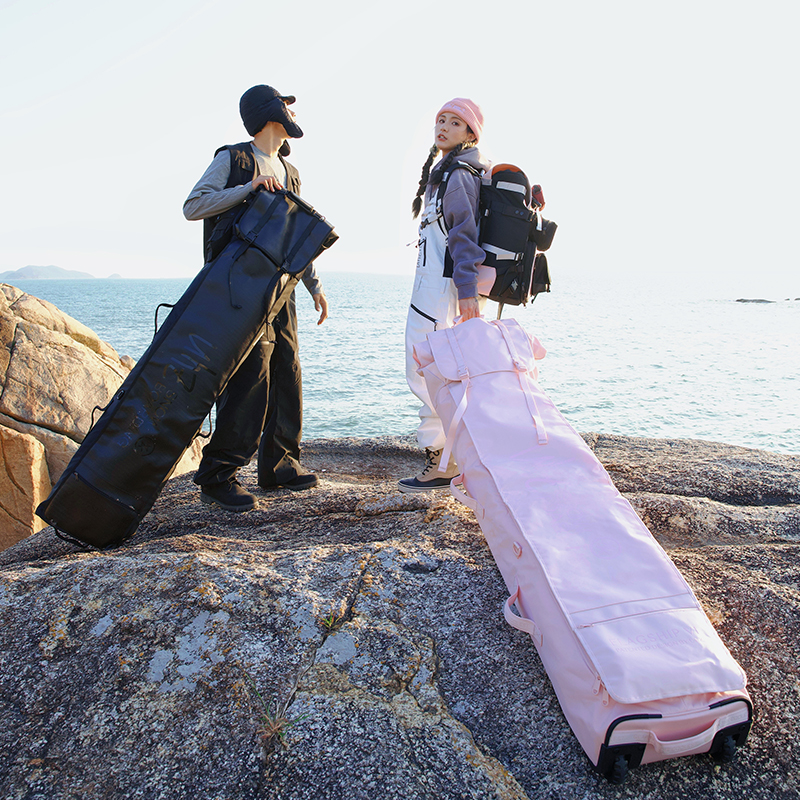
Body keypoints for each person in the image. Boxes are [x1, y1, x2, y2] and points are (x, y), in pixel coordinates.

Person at [183, 84, 328, 512]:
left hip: (282, 288)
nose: (290, 112)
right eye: (284, 105)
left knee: (287, 371)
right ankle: (217, 475)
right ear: (269, 113)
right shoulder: (233, 158)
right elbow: (194, 206)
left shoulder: (291, 172)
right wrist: (248, 188)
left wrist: (314, 285)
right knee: (250, 379)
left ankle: (280, 466)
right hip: (239, 290)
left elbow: (297, 234)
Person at [399, 98, 490, 493]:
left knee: (428, 375)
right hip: (433, 289)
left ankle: (444, 461)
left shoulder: (459, 174)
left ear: (471, 134)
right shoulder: (446, 172)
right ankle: (449, 457)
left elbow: (464, 236)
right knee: (433, 372)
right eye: (441, 120)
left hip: (442, 293)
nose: (445, 127)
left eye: (456, 123)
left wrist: (467, 293)